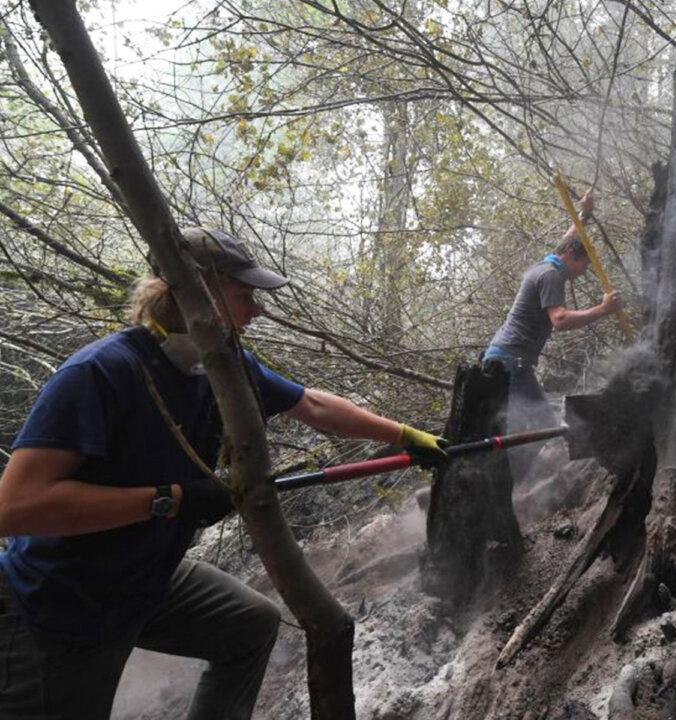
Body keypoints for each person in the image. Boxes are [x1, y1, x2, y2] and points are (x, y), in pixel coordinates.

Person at [0, 227, 447, 720]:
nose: (257, 309)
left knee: (249, 626)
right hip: (64, 605)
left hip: (147, 579)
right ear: (195, 291)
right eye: (244, 294)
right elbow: (14, 509)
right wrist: (169, 499)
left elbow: (314, 405)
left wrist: (406, 434)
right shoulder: (102, 373)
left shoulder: (224, 365)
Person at [482, 190, 621, 479]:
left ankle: (498, 476)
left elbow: (568, 240)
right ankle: (508, 481)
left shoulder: (547, 264)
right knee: (542, 421)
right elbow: (559, 320)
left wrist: (583, 215)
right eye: (583, 265)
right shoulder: (552, 275)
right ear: (571, 257)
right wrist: (602, 309)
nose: (583, 273)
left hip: (504, 357)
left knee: (509, 425)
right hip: (511, 361)